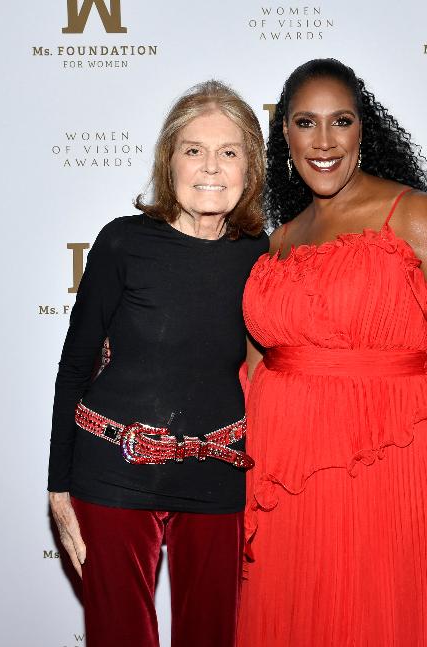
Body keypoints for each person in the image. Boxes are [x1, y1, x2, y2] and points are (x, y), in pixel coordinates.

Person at [238, 59, 427, 646]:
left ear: (362, 131)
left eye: (340, 121)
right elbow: (253, 370)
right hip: (286, 478)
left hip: (390, 469)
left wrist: (395, 396)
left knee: (384, 619)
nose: (323, 141)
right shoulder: (279, 239)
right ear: (284, 135)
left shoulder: (412, 215)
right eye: (305, 122)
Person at [47, 80, 268, 647]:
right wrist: (59, 486)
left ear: (252, 165)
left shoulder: (262, 254)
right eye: (193, 150)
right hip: (114, 467)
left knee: (212, 635)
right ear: (169, 163)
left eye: (229, 151)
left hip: (219, 471)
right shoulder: (122, 243)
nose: (211, 167)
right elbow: (74, 366)